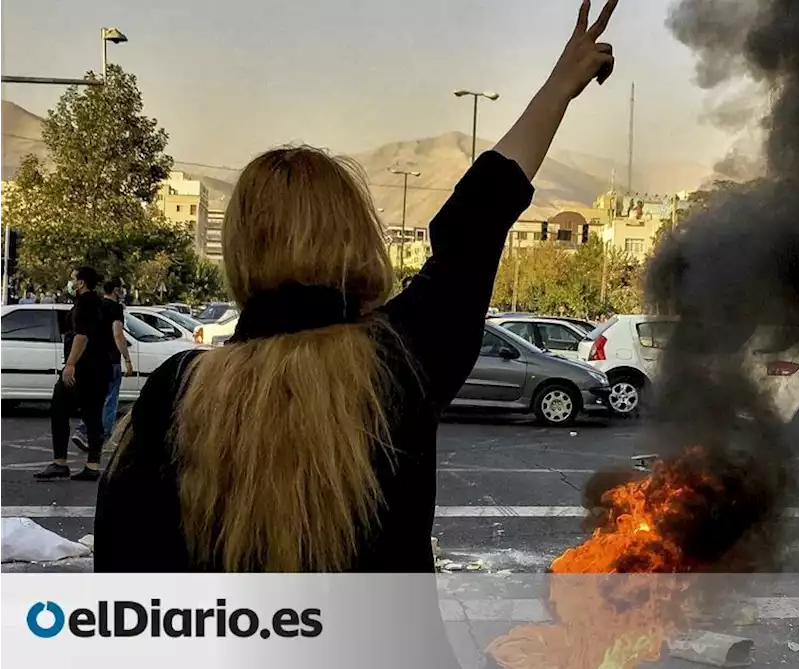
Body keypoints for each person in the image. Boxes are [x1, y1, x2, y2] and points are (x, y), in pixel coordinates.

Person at [93, 0, 618, 575]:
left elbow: (127, 580)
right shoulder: (400, 361)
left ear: (241, 248)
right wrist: (560, 85)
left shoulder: (176, 394)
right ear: (356, 235)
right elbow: (476, 220)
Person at [34, 267, 115, 481]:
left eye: (72, 279)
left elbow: (82, 336)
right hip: (100, 368)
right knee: (93, 415)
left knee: (59, 406)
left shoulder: (85, 304)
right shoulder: (100, 303)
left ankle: (60, 462)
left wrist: (70, 364)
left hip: (84, 368)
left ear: (80, 283)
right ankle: (92, 465)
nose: (70, 282)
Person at [71, 280, 133, 454]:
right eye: (120, 289)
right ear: (114, 291)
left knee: (95, 399)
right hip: (110, 360)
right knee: (110, 400)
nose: (122, 292)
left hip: (93, 358)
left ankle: (84, 431)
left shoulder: (96, 305)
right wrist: (127, 359)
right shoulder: (115, 309)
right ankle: (99, 437)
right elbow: (117, 334)